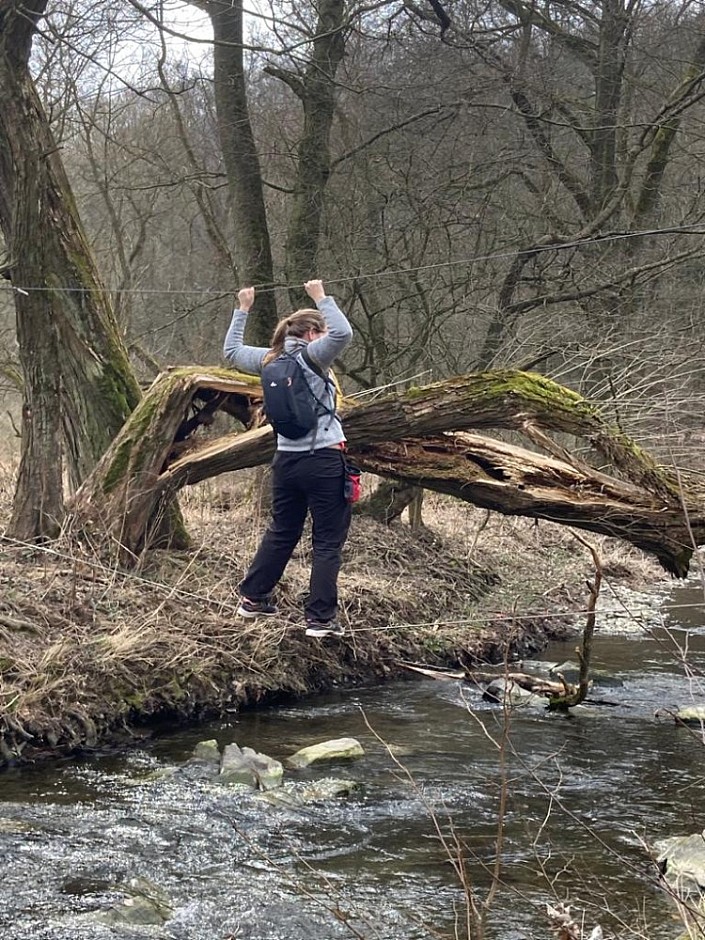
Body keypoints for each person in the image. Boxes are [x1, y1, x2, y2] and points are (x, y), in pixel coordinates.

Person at [223, 279, 354, 638]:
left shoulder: (269, 360)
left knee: (282, 530)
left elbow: (231, 352)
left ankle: (252, 599)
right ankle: (320, 620)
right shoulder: (313, 356)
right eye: (321, 331)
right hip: (324, 460)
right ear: (313, 333)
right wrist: (320, 297)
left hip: (285, 461)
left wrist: (243, 308)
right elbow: (343, 333)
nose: (326, 337)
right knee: (327, 541)